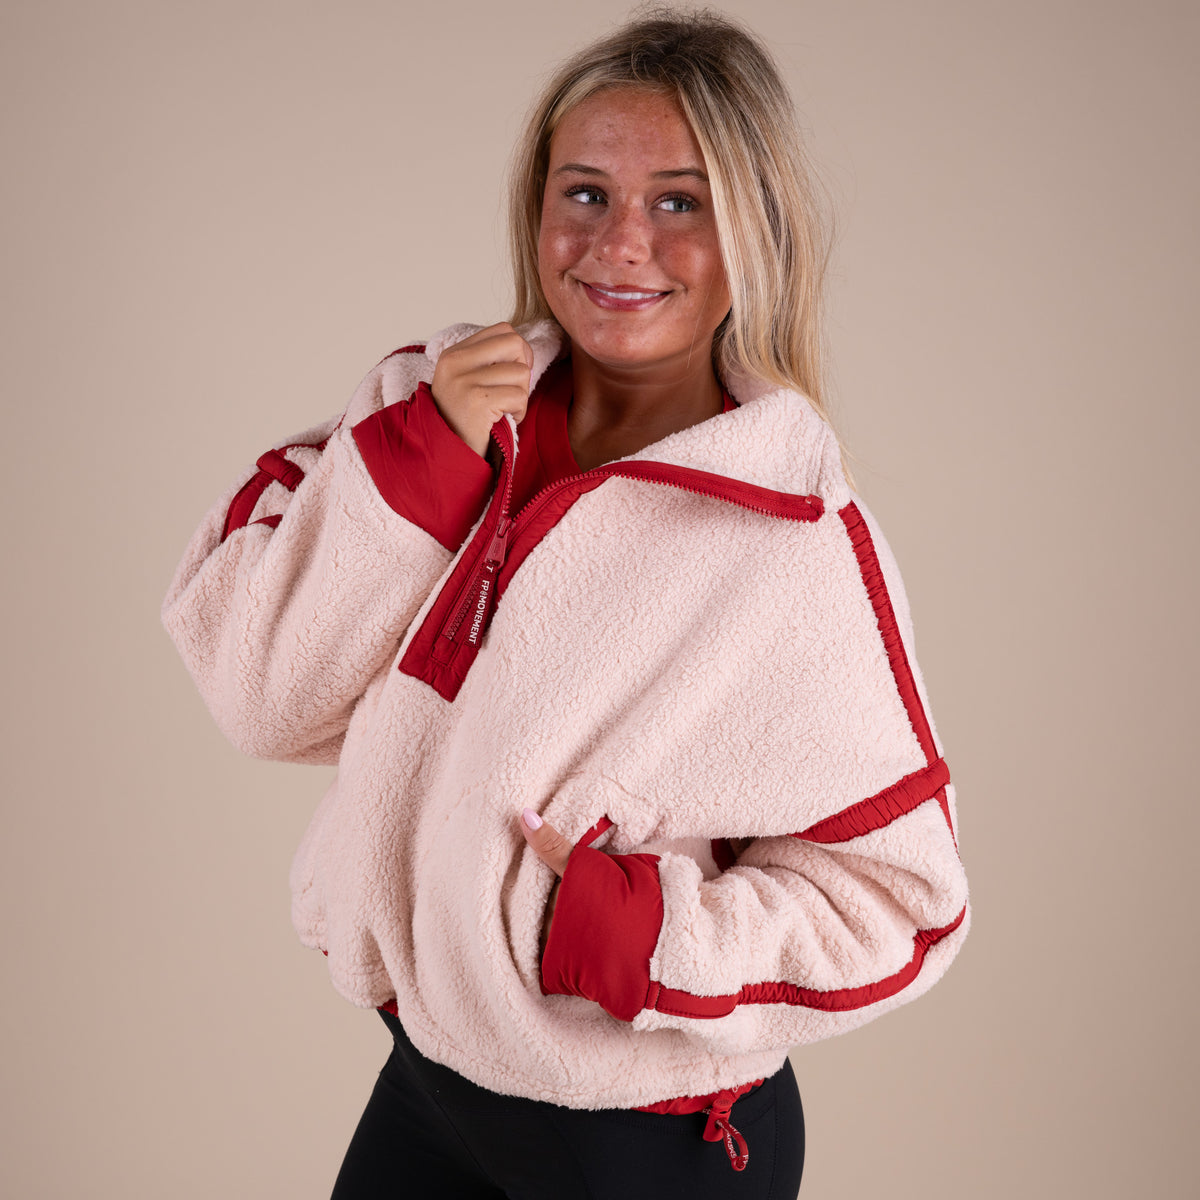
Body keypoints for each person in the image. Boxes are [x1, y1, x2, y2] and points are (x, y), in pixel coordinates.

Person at [163, 9, 969, 1197]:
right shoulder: (431, 402)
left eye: (679, 202)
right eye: (584, 193)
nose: (619, 243)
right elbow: (260, 697)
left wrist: (639, 937)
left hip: (643, 1137)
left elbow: (905, 901)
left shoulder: (789, 536)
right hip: (431, 1074)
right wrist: (425, 455)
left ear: (755, 230)